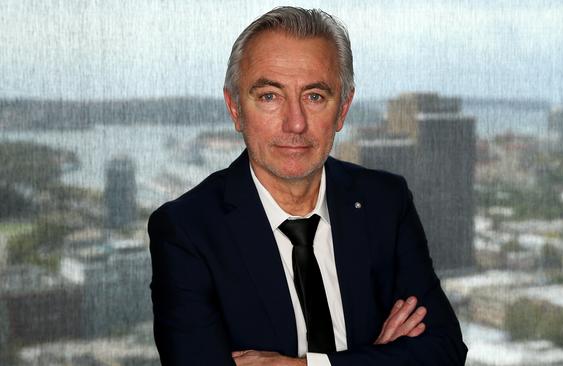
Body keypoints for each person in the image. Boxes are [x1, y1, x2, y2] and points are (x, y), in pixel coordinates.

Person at [148, 6, 466, 366]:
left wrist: (307, 365)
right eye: (270, 96)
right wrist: (378, 357)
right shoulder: (186, 230)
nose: (295, 123)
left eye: (315, 96)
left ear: (342, 109)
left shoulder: (385, 202)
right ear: (235, 108)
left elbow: (444, 352)